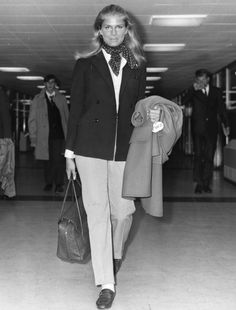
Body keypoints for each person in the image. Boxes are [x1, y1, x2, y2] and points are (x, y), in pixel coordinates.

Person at [65, 4, 161, 309]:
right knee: (97, 212)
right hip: (89, 147)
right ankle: (106, 282)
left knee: (123, 211)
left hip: (123, 148)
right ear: (99, 30)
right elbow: (76, 109)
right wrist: (69, 153)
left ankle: (115, 252)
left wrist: (152, 115)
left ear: (127, 29)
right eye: (107, 27)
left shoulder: (137, 64)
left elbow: (137, 107)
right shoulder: (86, 64)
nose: (114, 32)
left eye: (119, 26)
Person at [183, 69, 230, 194]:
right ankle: (198, 183)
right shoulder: (193, 91)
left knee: (209, 157)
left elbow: (221, 109)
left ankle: (206, 183)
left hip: (211, 129)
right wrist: (192, 89)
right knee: (198, 156)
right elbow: (184, 101)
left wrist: (226, 125)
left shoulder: (216, 92)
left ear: (208, 79)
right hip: (197, 129)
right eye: (198, 80)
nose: (200, 82)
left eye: (203, 79)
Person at [28, 74, 69, 194]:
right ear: (44, 84)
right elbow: (32, 120)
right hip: (43, 136)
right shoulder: (37, 99)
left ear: (55, 84)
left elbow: (67, 118)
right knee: (47, 160)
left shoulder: (61, 99)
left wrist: (69, 137)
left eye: (53, 83)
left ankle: (59, 183)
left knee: (58, 160)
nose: (51, 85)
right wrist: (33, 138)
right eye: (48, 82)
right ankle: (49, 182)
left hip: (59, 135)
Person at [0, 85, 16, 198]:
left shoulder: (1, 96)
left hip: (3, 138)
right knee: (6, 165)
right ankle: (8, 190)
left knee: (6, 165)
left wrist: (7, 137)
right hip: (4, 137)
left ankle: (8, 190)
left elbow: (5, 117)